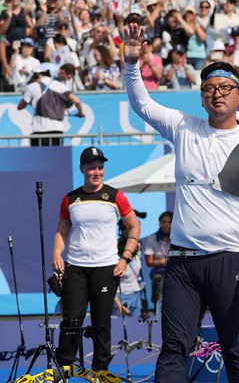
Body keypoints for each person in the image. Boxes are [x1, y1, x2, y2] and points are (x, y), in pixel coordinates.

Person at [121, 22, 239, 382]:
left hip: (230, 260)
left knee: (236, 348)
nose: (217, 94)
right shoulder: (184, 127)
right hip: (182, 264)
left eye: (225, 87)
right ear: (201, 96)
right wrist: (132, 65)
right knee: (174, 349)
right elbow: (141, 103)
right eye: (209, 89)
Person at [53, 147, 141, 371]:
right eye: (91, 167)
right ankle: (64, 366)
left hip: (106, 268)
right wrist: (56, 254)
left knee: (101, 324)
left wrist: (124, 259)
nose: (96, 172)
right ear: (82, 169)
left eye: (100, 167)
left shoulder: (115, 196)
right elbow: (62, 229)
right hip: (76, 267)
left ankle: (100, 371)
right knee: (71, 321)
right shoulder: (71, 198)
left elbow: (134, 226)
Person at [17, 64, 85, 146]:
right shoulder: (61, 86)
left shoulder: (32, 86)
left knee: (37, 158)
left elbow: (20, 107)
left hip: (39, 129)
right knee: (55, 158)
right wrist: (80, 113)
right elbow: (77, 101)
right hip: (57, 129)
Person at [114, 220, 146, 317]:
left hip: (136, 295)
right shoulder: (113, 250)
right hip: (119, 297)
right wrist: (118, 305)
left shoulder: (139, 246)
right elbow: (108, 283)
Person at [143, 211, 172, 307]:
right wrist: (164, 262)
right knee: (159, 281)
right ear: (159, 223)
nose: (167, 224)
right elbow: (149, 262)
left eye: (170, 222)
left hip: (175, 271)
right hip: (159, 272)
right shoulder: (151, 239)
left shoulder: (177, 238)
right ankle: (158, 307)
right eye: (164, 221)